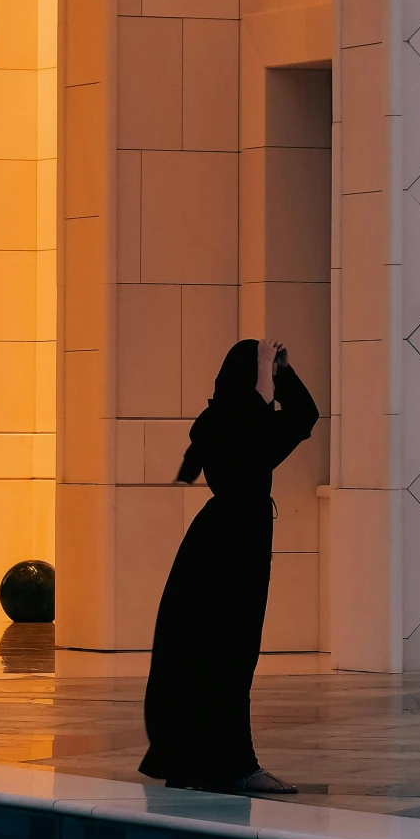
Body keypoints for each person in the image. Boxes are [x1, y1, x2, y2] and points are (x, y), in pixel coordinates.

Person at [140, 337, 318, 795]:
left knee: (212, 655)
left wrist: (277, 371)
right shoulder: (233, 425)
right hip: (232, 548)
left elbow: (299, 416)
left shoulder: (218, 421)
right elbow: (274, 422)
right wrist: (269, 372)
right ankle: (236, 766)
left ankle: (201, 763)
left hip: (220, 542)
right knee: (227, 656)